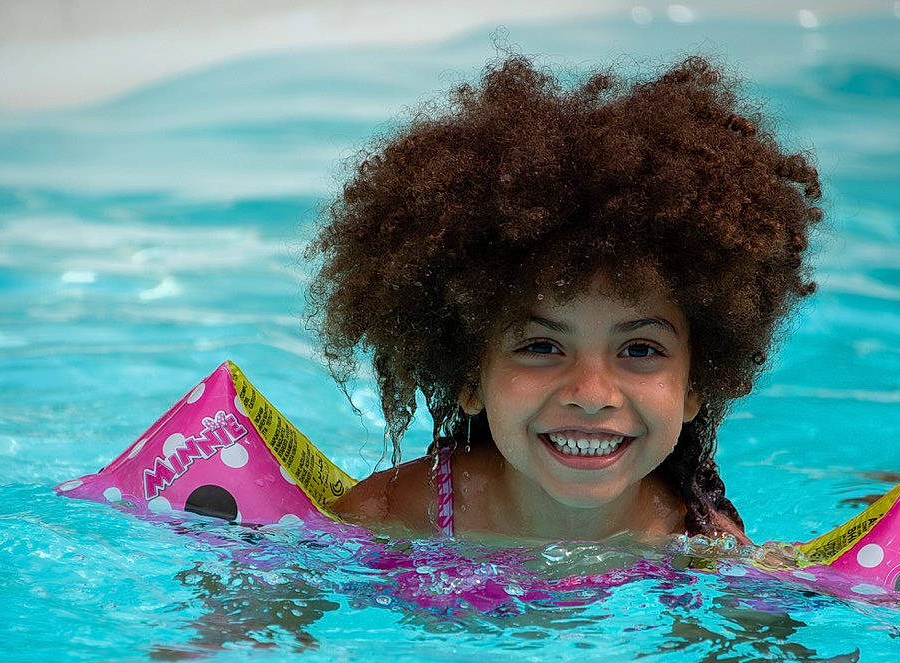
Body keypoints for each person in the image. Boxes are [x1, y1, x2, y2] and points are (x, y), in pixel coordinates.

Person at [305, 54, 822, 545]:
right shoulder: (391, 515)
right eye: (541, 346)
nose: (593, 393)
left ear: (695, 386)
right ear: (469, 375)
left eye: (640, 350)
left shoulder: (700, 548)